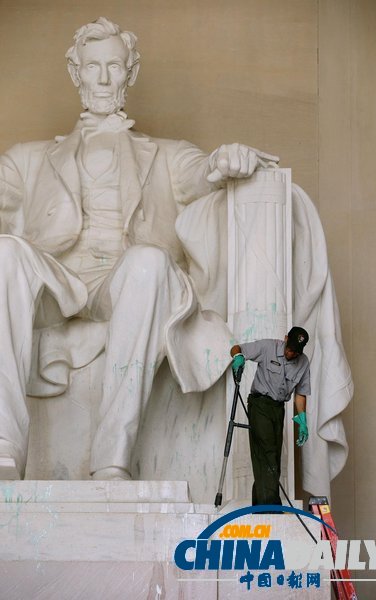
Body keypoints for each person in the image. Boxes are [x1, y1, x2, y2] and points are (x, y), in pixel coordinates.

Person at [0, 17, 277, 481]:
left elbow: (201, 172)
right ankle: (3, 449)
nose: (104, 79)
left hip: (128, 282)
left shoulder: (167, 154)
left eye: (114, 66)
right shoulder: (26, 160)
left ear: (131, 72)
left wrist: (222, 161)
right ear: (75, 72)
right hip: (56, 283)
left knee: (149, 260)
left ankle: (113, 459)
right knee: (5, 253)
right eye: (93, 67)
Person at [230, 327, 310, 507]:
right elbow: (236, 348)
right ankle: (271, 505)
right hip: (259, 405)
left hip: (278, 409)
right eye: (289, 348)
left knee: (271, 457)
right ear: (285, 338)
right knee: (268, 452)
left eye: (296, 352)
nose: (291, 354)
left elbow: (301, 393)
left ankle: (260, 505)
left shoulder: (303, 362)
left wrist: (303, 420)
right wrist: (238, 357)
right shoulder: (268, 347)